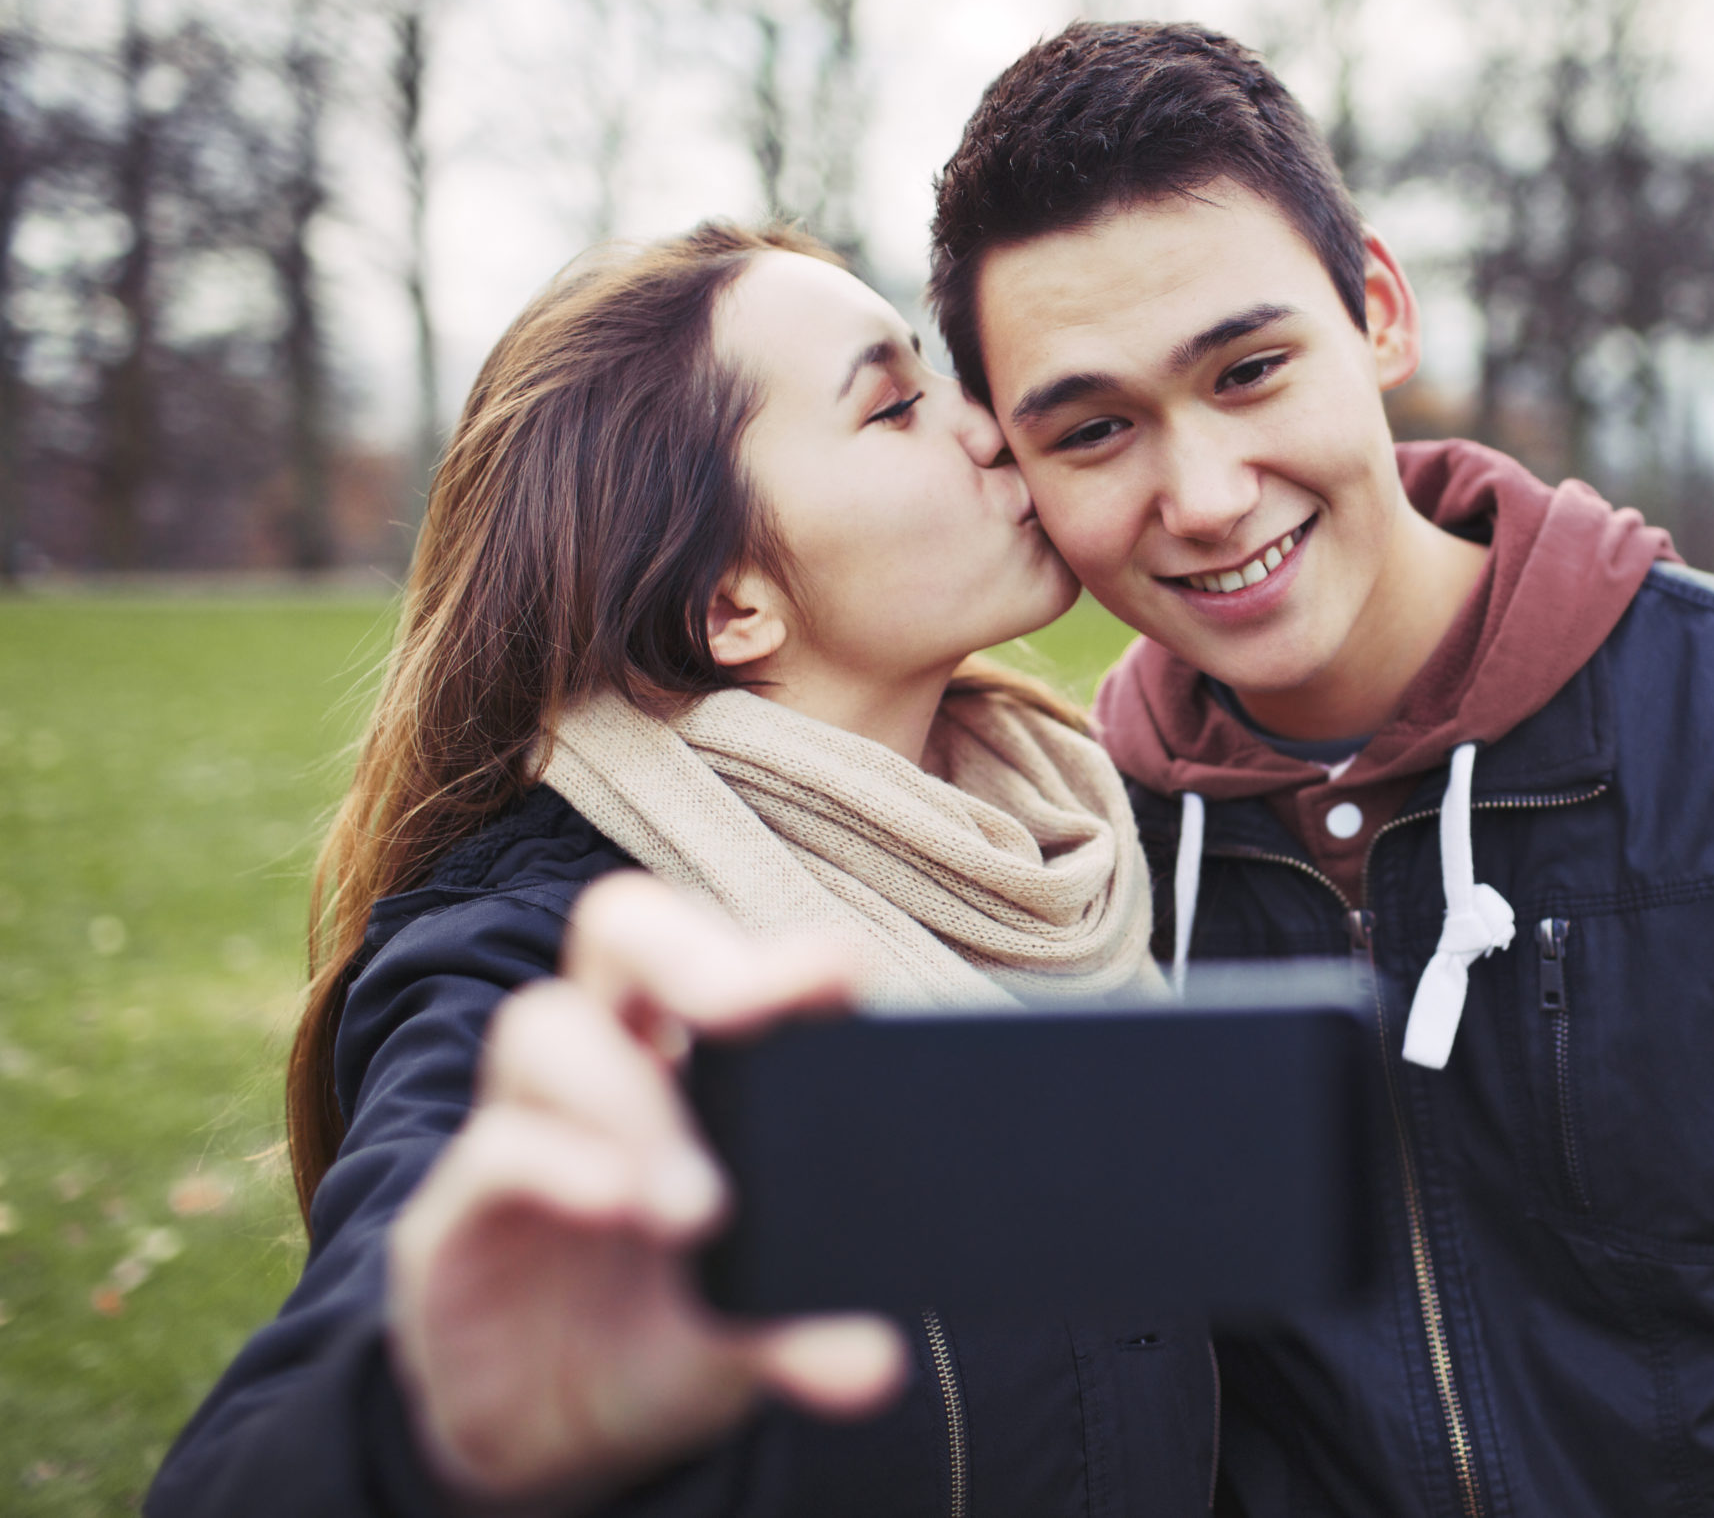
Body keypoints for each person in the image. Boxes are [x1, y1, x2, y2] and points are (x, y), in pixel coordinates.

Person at [925, 21, 1714, 1516]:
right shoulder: (1061, 872)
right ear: (1013, 465)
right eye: (1095, 430)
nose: (1200, 495)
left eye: (1252, 369)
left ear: (1379, 314)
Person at [148, 223, 1217, 1516]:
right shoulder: (551, 979)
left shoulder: (1072, 847)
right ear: (734, 603)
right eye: (893, 406)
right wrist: (428, 1431)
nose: (987, 423)